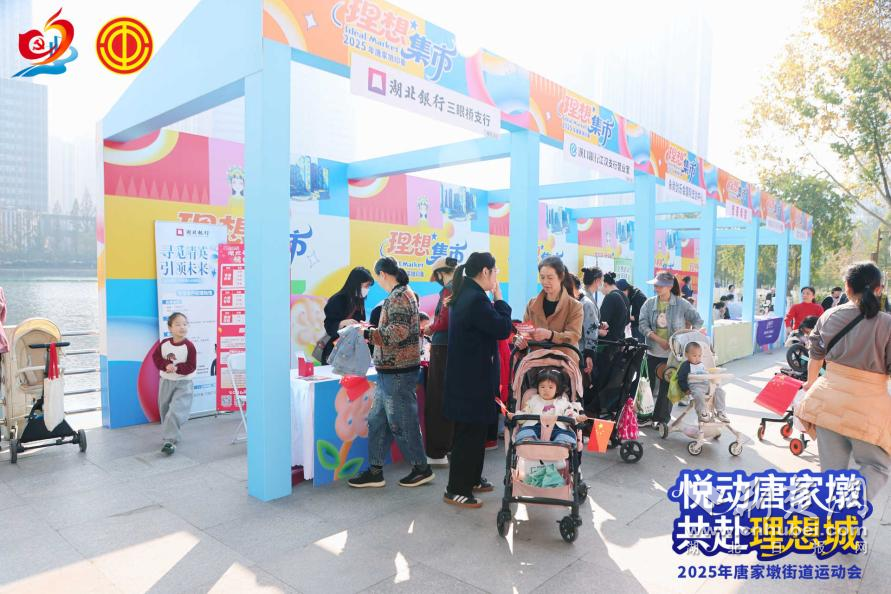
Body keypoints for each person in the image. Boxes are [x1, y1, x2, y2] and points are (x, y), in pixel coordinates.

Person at [796, 262, 891, 501]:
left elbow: (816, 356)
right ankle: (850, 506)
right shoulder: (887, 324)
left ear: (847, 287)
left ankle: (831, 514)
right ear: (879, 289)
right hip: (869, 408)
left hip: (828, 401)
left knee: (831, 473)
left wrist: (810, 384)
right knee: (876, 466)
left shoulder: (828, 316)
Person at [348, 257, 433, 489]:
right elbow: (395, 331)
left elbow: (396, 333)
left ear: (383, 274)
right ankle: (375, 470)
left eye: (377, 279)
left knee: (402, 422)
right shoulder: (402, 294)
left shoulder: (399, 297)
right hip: (391, 370)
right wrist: (371, 331)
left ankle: (421, 468)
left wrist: (366, 333)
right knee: (377, 421)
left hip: (397, 371)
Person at [442, 252, 512, 508]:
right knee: (468, 435)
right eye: (495, 272)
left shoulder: (468, 294)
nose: (496, 277)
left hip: (471, 379)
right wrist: (500, 298)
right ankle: (456, 489)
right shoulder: (475, 299)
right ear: (485, 271)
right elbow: (502, 328)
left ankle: (471, 478)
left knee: (476, 432)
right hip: (471, 381)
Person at [638, 271, 704, 428]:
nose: (656, 288)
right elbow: (642, 324)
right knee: (646, 385)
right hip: (652, 351)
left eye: (659, 286)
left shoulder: (682, 304)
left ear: (669, 286)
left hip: (674, 355)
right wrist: (658, 339)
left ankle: (661, 420)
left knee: (666, 387)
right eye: (655, 285)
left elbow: (698, 321)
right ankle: (644, 416)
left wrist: (686, 338)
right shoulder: (649, 303)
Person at [423, 256, 458, 467]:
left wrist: (431, 328)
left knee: (437, 400)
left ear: (439, 274)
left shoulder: (448, 290)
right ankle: (450, 445)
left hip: (442, 348)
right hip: (455, 349)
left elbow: (444, 321)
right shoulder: (463, 288)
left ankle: (437, 453)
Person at [515, 256, 583, 361]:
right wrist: (520, 340)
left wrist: (550, 335)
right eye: (542, 277)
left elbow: (573, 336)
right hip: (536, 361)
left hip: (564, 362)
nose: (545, 282)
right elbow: (523, 333)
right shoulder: (532, 304)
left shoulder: (575, 306)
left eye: (550, 278)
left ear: (561, 277)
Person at [152, 312, 197, 456]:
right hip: (166, 382)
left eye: (184, 324)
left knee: (175, 412)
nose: (182, 327)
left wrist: (177, 368)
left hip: (184, 383)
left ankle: (170, 441)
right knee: (165, 411)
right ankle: (171, 433)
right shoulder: (164, 344)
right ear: (170, 328)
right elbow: (156, 358)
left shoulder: (189, 346)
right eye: (177, 324)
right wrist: (165, 365)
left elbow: (191, 366)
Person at [510, 369, 587, 445]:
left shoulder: (562, 402)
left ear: (557, 389)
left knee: (566, 435)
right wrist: (515, 416)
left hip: (557, 428)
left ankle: (561, 442)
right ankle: (529, 439)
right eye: (542, 387)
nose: (546, 390)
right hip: (534, 426)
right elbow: (525, 413)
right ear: (538, 387)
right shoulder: (533, 400)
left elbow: (569, 413)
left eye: (550, 387)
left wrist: (577, 417)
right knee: (525, 432)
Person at [320, 267, 374, 364]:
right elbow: (329, 326)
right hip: (336, 350)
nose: (367, 289)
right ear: (356, 283)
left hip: (352, 350)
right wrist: (342, 323)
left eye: (369, 286)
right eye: (366, 286)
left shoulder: (359, 301)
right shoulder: (338, 299)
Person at [677, 342, 728, 423]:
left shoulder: (701, 364)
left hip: (706, 384)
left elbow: (706, 375)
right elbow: (681, 378)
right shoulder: (685, 366)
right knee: (698, 394)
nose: (697, 358)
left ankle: (720, 411)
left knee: (719, 391)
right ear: (686, 355)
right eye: (694, 356)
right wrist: (685, 389)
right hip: (696, 386)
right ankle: (702, 412)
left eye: (699, 356)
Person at [567, 273, 599, 378]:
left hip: (580, 354)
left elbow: (592, 331)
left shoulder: (586, 304)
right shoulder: (567, 303)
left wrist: (589, 355)